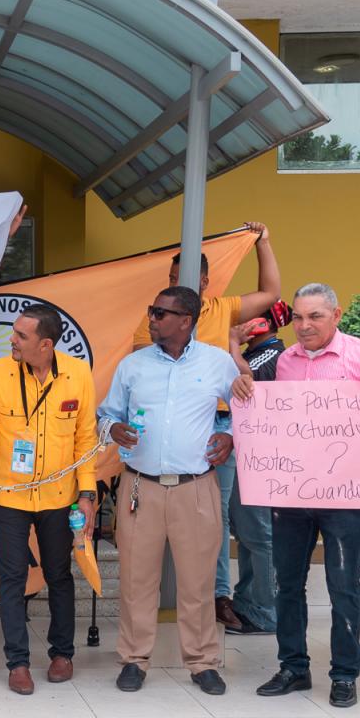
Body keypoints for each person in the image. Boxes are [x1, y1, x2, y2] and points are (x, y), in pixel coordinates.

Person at [233, 282, 360, 708]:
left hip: (343, 495)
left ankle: (345, 674)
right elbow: (259, 411)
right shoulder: (284, 361)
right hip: (289, 495)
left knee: (344, 584)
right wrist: (243, 387)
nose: (304, 326)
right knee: (286, 584)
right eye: (299, 318)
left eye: (315, 317)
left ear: (337, 315)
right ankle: (293, 667)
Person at [0, 302, 98, 695]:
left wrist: (87, 493)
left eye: (21, 336)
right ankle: (17, 662)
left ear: (46, 344)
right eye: (13, 333)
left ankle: (62, 654)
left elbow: (86, 438)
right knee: (12, 579)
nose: (11, 341)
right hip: (10, 498)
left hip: (59, 497)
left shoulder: (78, 374)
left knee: (58, 576)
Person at [99, 287, 237, 695]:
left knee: (197, 581)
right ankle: (134, 659)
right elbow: (106, 415)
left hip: (196, 487)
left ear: (186, 320)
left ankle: (202, 662)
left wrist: (230, 437)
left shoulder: (217, 363)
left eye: (161, 313)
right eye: (151, 310)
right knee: (136, 579)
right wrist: (113, 429)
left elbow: (246, 412)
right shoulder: (133, 366)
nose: (152, 318)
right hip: (141, 486)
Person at [163, 223, 281, 634]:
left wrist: (262, 244)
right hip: (187, 424)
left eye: (189, 280)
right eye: (174, 279)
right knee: (210, 518)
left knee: (238, 518)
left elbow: (271, 294)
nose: (180, 286)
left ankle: (240, 602)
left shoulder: (221, 309)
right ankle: (217, 597)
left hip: (230, 423)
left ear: (207, 282)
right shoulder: (158, 320)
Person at [223, 310, 289, 632]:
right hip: (245, 455)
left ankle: (266, 611)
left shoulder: (277, 354)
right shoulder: (255, 353)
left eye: (247, 319)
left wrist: (233, 343)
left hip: (263, 459)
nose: (237, 324)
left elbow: (248, 385)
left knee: (260, 536)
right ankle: (248, 603)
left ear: (263, 323)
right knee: (248, 534)